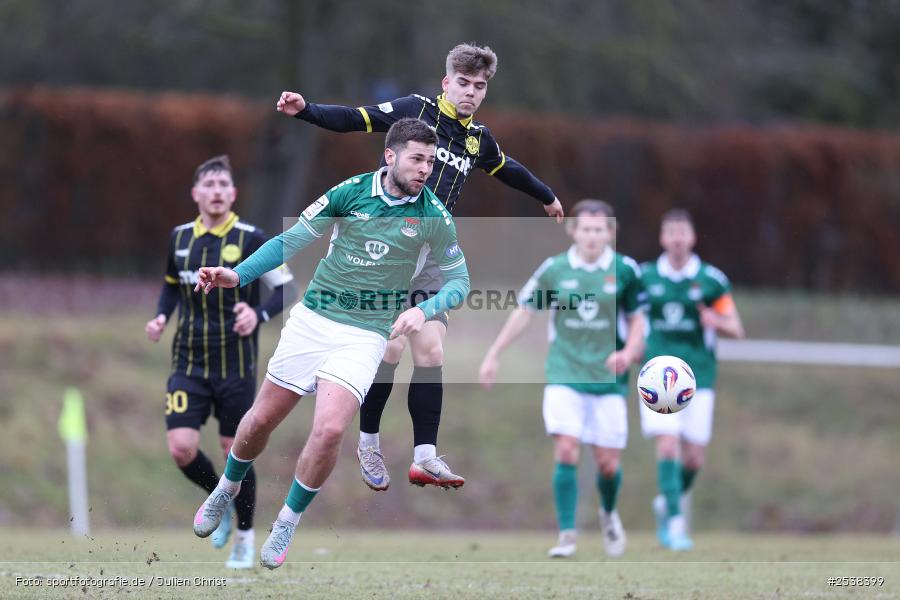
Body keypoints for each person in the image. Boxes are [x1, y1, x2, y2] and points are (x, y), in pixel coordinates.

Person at [276, 42, 564, 491]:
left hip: (430, 254)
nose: (471, 92)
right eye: (463, 83)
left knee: (431, 351)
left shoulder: (479, 139)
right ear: (447, 82)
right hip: (386, 252)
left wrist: (546, 196)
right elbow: (357, 118)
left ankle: (425, 458)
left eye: (480, 86)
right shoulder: (416, 111)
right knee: (391, 350)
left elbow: (508, 168)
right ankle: (368, 443)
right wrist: (306, 110)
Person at [190, 118, 471, 569]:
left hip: (365, 334)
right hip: (313, 320)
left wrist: (424, 309)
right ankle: (227, 487)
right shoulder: (350, 192)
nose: (425, 169)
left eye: (430, 162)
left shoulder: (434, 216)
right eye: (417, 159)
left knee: (330, 430)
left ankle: (287, 521)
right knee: (261, 420)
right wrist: (237, 275)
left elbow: (460, 281)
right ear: (390, 156)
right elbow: (292, 240)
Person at [145, 155, 297, 568]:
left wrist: (257, 314)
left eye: (223, 185)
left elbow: (287, 289)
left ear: (233, 194)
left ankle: (245, 538)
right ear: (195, 193)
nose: (216, 191)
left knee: (236, 450)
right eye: (208, 185)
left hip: (235, 366)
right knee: (181, 448)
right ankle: (220, 500)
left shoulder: (251, 238)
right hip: (188, 364)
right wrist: (161, 317)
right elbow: (171, 286)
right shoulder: (179, 238)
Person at [478, 199, 646, 558]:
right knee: (567, 449)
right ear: (573, 231)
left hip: (609, 378)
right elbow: (525, 312)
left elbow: (638, 320)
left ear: (610, 233)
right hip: (564, 373)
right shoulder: (555, 270)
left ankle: (608, 513)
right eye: (585, 229)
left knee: (608, 464)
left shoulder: (625, 270)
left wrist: (630, 352)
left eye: (599, 229)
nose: (592, 236)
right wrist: (494, 353)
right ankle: (567, 534)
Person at [639, 208, 745, 551]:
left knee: (694, 458)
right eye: (671, 232)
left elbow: (736, 328)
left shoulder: (711, 280)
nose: (677, 239)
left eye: (682, 232)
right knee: (667, 444)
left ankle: (666, 502)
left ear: (693, 237)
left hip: (699, 375)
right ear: (662, 238)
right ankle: (674, 522)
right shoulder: (645, 277)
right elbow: (630, 318)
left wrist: (716, 321)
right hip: (656, 376)